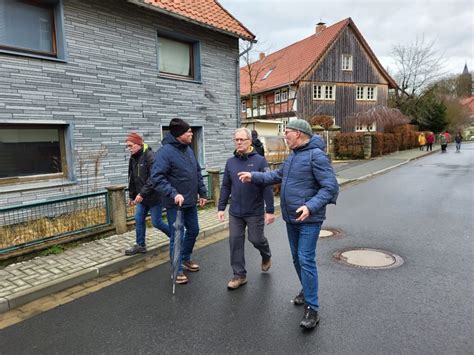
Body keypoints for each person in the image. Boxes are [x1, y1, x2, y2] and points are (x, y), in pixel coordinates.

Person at [238, 119, 339, 330]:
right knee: (296, 257)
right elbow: (276, 175)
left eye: (288, 132)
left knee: (305, 258)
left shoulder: (316, 156)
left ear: (300, 134)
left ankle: (312, 308)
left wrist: (310, 206)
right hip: (291, 217)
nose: (285, 135)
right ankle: (306, 289)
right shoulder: (294, 155)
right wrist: (254, 176)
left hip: (309, 219)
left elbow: (330, 187)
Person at [151, 118, 208, 285]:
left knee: (194, 230)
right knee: (177, 236)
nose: (191, 133)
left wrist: (202, 192)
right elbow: (156, 177)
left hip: (190, 201)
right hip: (175, 204)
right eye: (188, 131)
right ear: (178, 135)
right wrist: (173, 193)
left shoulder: (188, 149)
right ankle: (176, 270)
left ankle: (185, 258)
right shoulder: (164, 153)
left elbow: (196, 171)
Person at [217, 128, 275, 290]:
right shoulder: (230, 162)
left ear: (250, 141)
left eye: (242, 139)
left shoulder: (259, 161)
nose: (239, 142)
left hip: (254, 210)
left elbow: (267, 186)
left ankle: (266, 254)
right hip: (235, 211)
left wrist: (269, 210)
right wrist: (221, 208)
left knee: (256, 239)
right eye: (236, 140)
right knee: (235, 241)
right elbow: (226, 186)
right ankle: (239, 275)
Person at [124, 132, 170, 256]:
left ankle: (176, 236)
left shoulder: (150, 156)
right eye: (127, 146)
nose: (129, 149)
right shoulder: (133, 158)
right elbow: (132, 178)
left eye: (130, 146)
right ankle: (140, 245)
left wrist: (142, 194)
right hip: (142, 197)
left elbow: (153, 179)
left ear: (139, 144)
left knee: (157, 222)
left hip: (155, 197)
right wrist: (132, 195)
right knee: (139, 219)